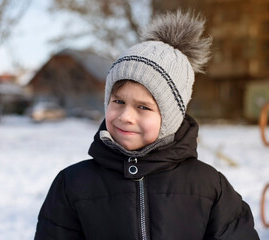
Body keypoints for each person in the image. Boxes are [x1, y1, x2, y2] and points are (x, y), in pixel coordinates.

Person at [34, 10, 259, 240]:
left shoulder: (210, 188)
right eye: (118, 101)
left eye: (143, 107)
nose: (125, 116)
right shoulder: (73, 185)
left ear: (170, 117)